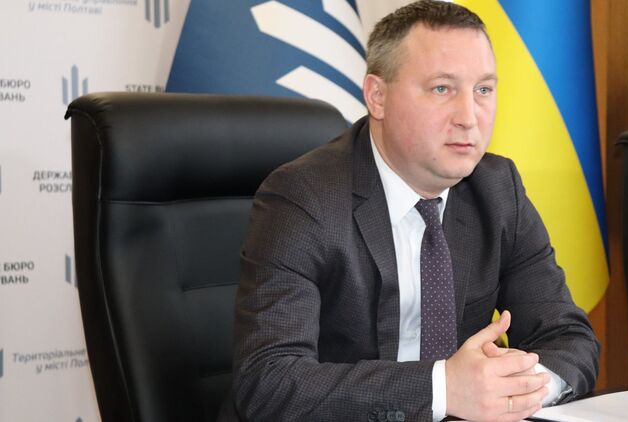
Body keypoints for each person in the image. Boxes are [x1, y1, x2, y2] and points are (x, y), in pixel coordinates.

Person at [218, 1, 599, 421]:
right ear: (377, 97)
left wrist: (514, 390)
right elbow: (269, 381)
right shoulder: (305, 197)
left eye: (483, 90)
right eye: (442, 89)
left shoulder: (497, 188)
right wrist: (443, 389)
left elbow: (569, 338)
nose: (469, 117)